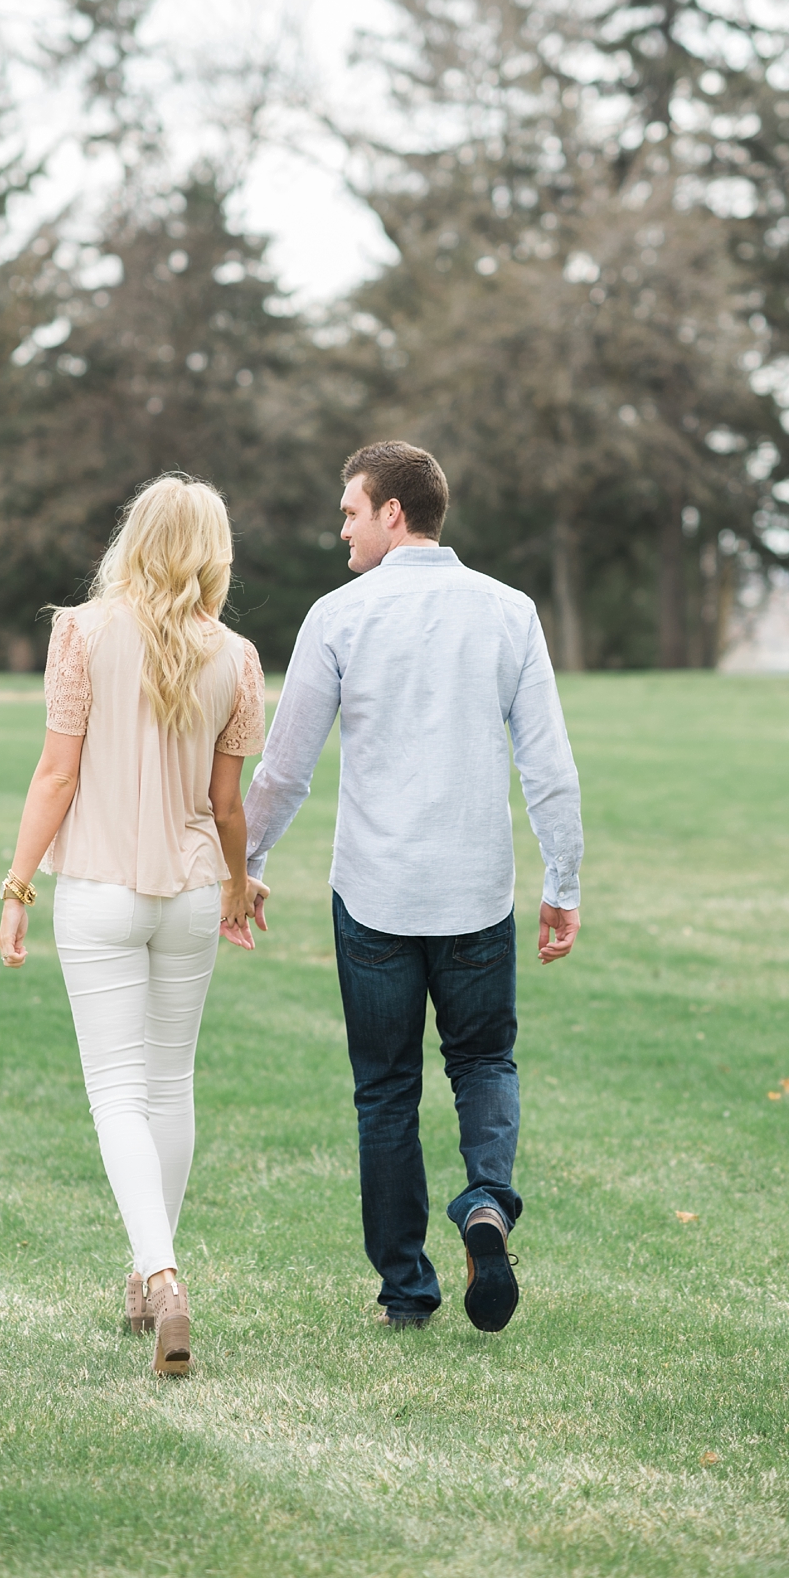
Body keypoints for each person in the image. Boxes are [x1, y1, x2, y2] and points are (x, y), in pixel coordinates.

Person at [241, 440, 583, 1333]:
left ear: (395, 511)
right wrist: (565, 878)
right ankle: (487, 1203)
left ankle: (407, 1290)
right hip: (477, 891)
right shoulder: (510, 612)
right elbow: (548, 764)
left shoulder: (338, 615)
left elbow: (285, 767)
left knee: (386, 1089)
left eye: (350, 510)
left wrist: (249, 862)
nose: (341, 528)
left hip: (376, 895)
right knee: (483, 1062)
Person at [0, 476, 267, 1377]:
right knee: (170, 1082)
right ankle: (150, 1280)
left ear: (134, 540)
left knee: (118, 1092)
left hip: (101, 891)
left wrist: (17, 884)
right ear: (214, 551)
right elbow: (229, 806)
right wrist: (238, 885)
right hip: (191, 893)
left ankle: (163, 1273)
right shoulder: (238, 656)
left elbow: (55, 777)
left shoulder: (80, 633)